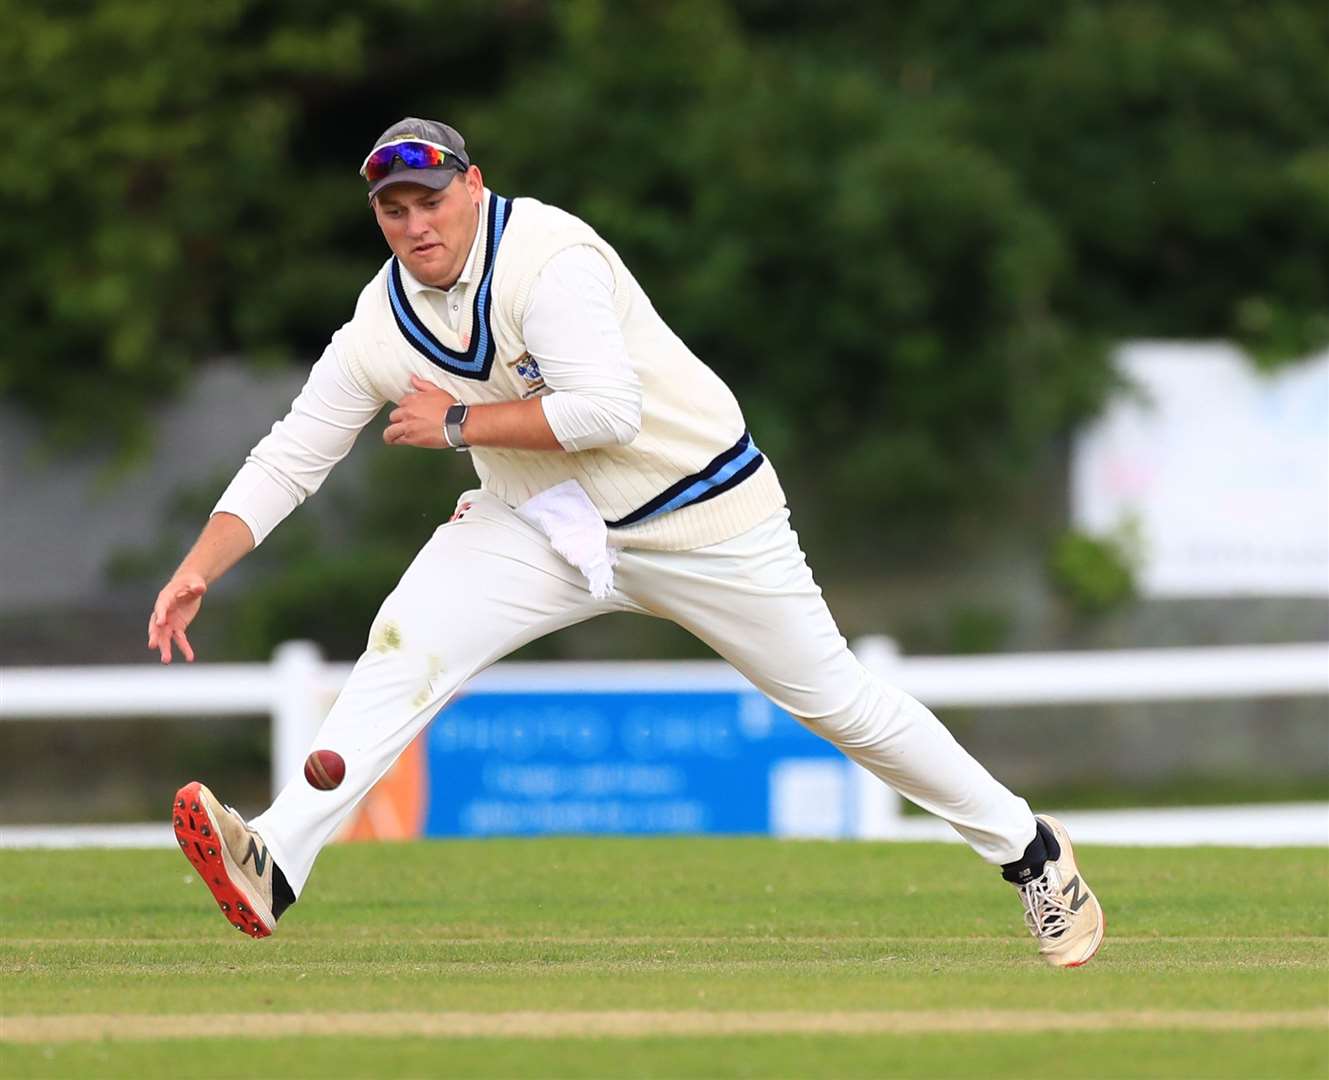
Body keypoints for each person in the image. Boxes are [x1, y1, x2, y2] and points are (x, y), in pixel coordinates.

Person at [152, 118, 1104, 966]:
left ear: (472, 187)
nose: (415, 225)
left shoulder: (549, 257)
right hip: (543, 524)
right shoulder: (378, 322)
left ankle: (1030, 853)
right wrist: (199, 567)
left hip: (700, 510)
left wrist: (455, 427)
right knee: (404, 639)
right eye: (393, 209)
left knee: (840, 704)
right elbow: (291, 456)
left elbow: (607, 410)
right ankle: (275, 860)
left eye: (430, 199)